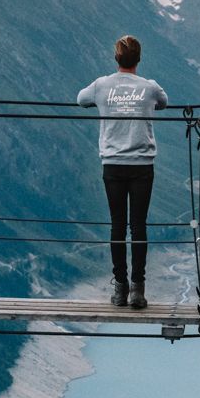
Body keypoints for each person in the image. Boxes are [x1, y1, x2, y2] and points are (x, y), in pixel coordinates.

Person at [77, 35, 168, 309]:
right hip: (142, 164)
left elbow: (80, 100)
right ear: (138, 59)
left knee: (117, 225)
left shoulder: (101, 85)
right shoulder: (149, 87)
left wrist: (104, 102)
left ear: (116, 58)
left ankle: (120, 289)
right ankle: (138, 290)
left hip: (113, 163)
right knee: (138, 226)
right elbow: (164, 102)